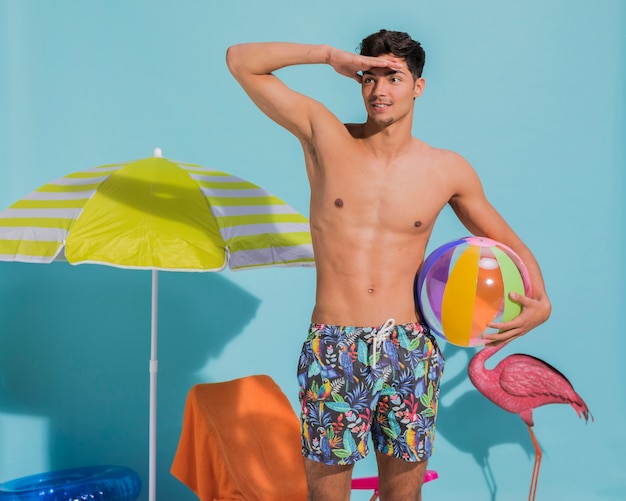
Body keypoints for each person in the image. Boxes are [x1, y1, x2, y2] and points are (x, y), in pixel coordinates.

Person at [226, 29, 551, 501]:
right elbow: (241, 59)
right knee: (327, 495)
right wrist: (329, 56)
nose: (380, 91)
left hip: (410, 349)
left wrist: (541, 303)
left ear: (418, 86)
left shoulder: (447, 170)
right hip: (334, 345)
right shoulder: (324, 133)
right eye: (369, 77)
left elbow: (510, 245)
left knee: (404, 496)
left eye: (394, 77)